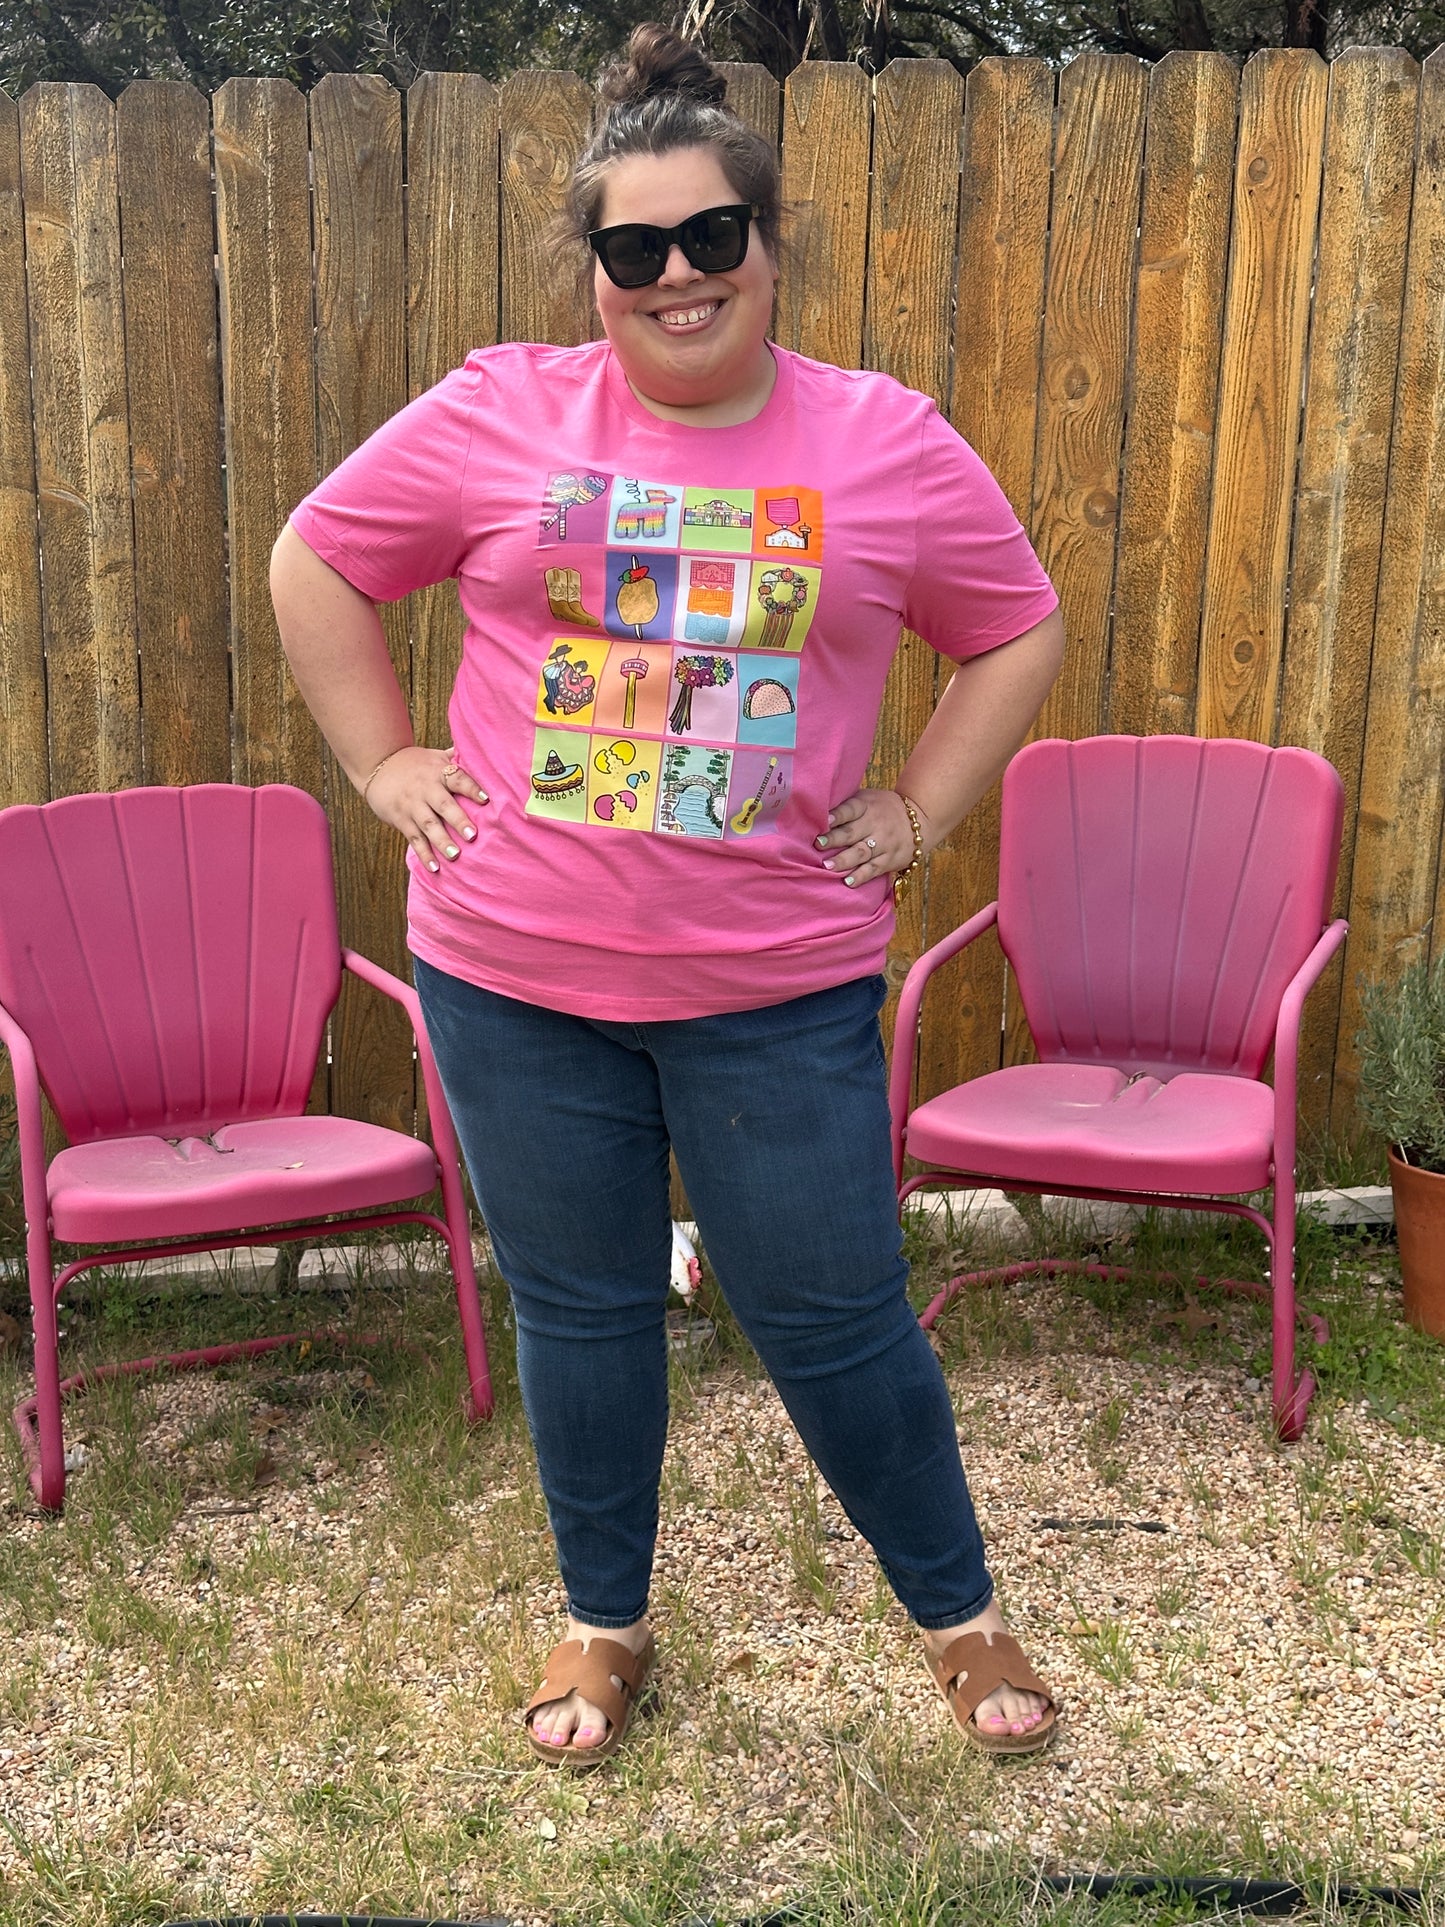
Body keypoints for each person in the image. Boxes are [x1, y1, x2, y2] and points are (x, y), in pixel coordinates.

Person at [271, 23, 1065, 1766]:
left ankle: (958, 1611)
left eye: (713, 237)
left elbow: (1014, 624)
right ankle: (600, 1620)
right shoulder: (495, 410)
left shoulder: (885, 443)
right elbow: (317, 559)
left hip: (773, 988)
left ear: (768, 246)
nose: (678, 276)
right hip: (509, 975)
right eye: (636, 251)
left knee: (836, 1312)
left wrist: (920, 806)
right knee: (579, 1308)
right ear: (597, 275)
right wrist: (387, 769)